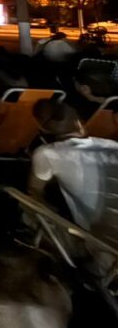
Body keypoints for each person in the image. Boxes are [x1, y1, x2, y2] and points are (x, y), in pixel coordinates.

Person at [29, 100, 118, 246]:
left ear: (43, 129)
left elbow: (34, 190)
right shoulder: (114, 146)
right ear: (79, 122)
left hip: (105, 252)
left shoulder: (47, 154)